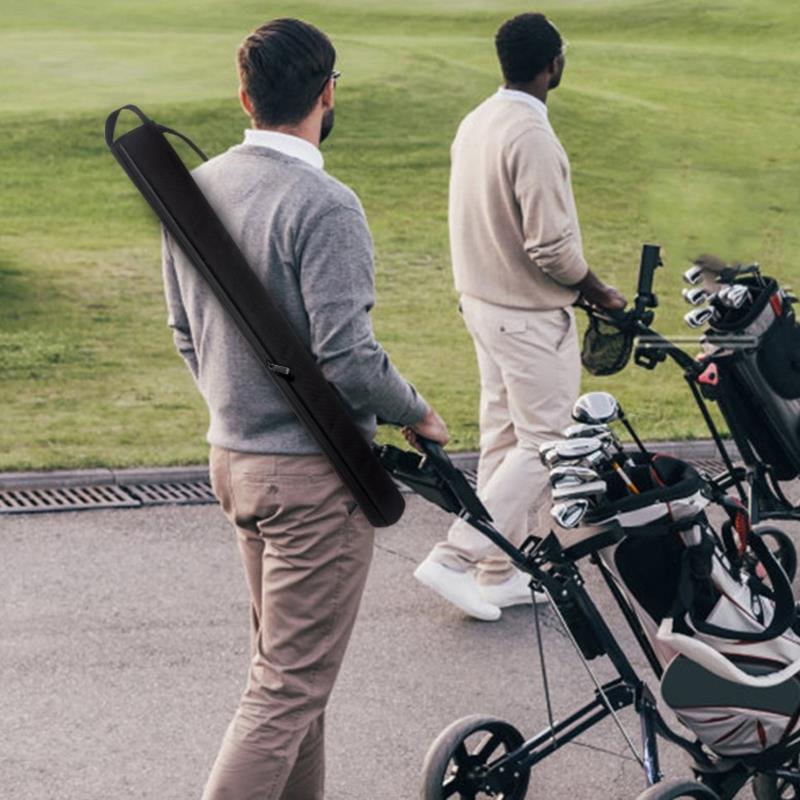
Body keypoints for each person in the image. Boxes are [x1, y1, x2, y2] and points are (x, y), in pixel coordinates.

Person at [160, 18, 448, 800]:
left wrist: (240, 408)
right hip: (312, 481)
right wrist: (419, 412)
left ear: (244, 96)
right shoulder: (326, 205)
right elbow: (348, 357)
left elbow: (186, 331)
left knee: (293, 682)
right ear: (327, 93)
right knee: (285, 691)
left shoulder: (195, 189)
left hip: (235, 462)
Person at [410, 12, 626, 622]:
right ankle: (454, 557)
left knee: (505, 439)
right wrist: (599, 291)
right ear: (554, 64)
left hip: (485, 306)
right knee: (549, 442)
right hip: (527, 317)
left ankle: (497, 572)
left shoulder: (479, 119)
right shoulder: (531, 135)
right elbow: (551, 247)